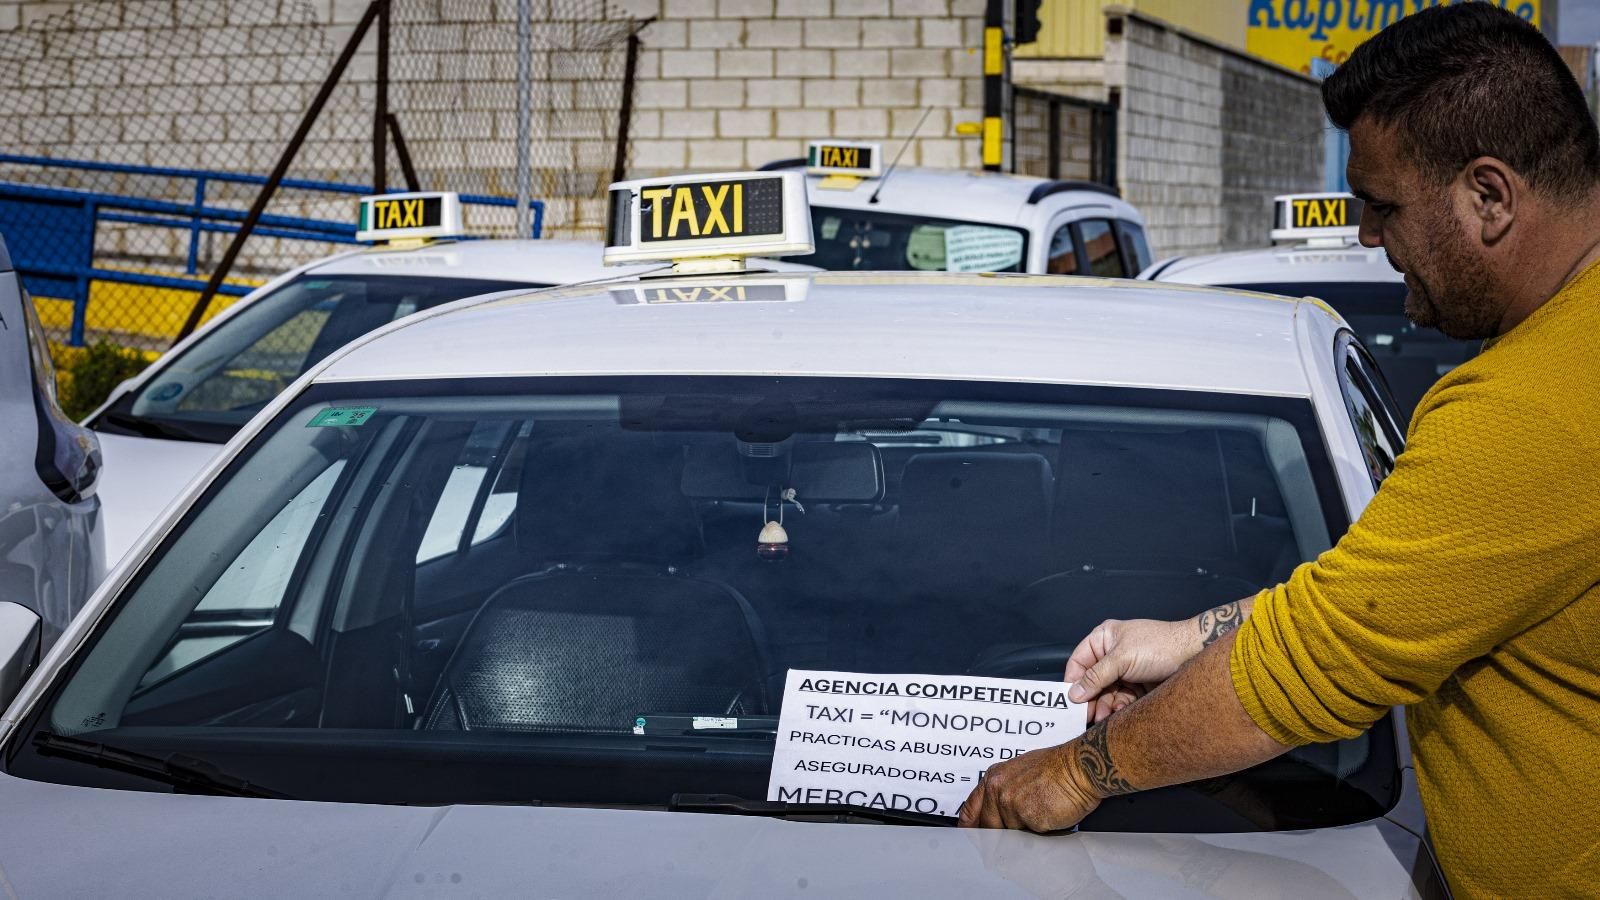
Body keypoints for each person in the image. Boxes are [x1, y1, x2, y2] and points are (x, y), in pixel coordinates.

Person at [957, 5, 1600, 896]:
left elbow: (1322, 657)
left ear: (1490, 197)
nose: (1370, 238)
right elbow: (1372, 597)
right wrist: (1187, 637)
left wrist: (1074, 772)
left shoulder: (1535, 409)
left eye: (1382, 206)